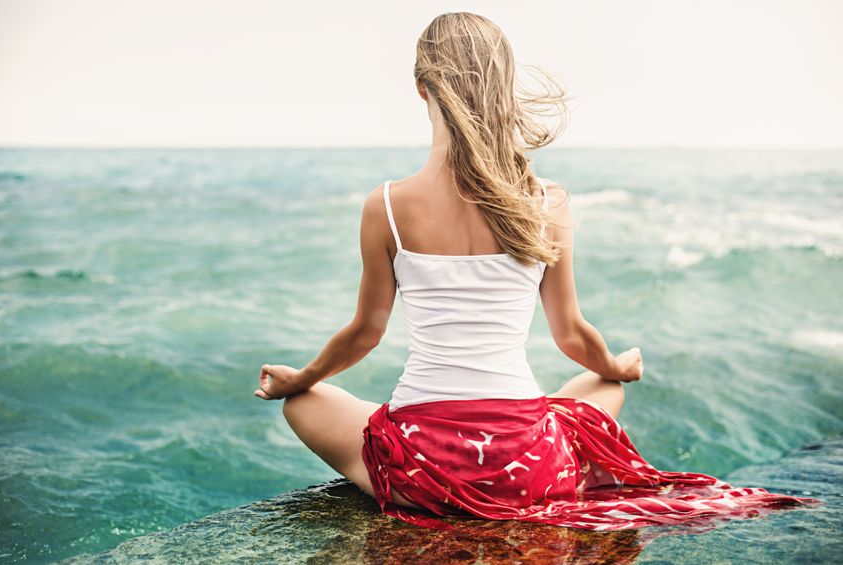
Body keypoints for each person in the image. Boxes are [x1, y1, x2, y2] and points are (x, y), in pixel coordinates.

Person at [254, 12, 820, 530]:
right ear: (504, 85)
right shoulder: (544, 201)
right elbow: (572, 335)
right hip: (530, 470)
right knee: (600, 386)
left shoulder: (386, 205)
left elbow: (365, 334)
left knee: (307, 403)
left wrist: (300, 379)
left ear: (422, 88)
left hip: (423, 471)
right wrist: (617, 365)